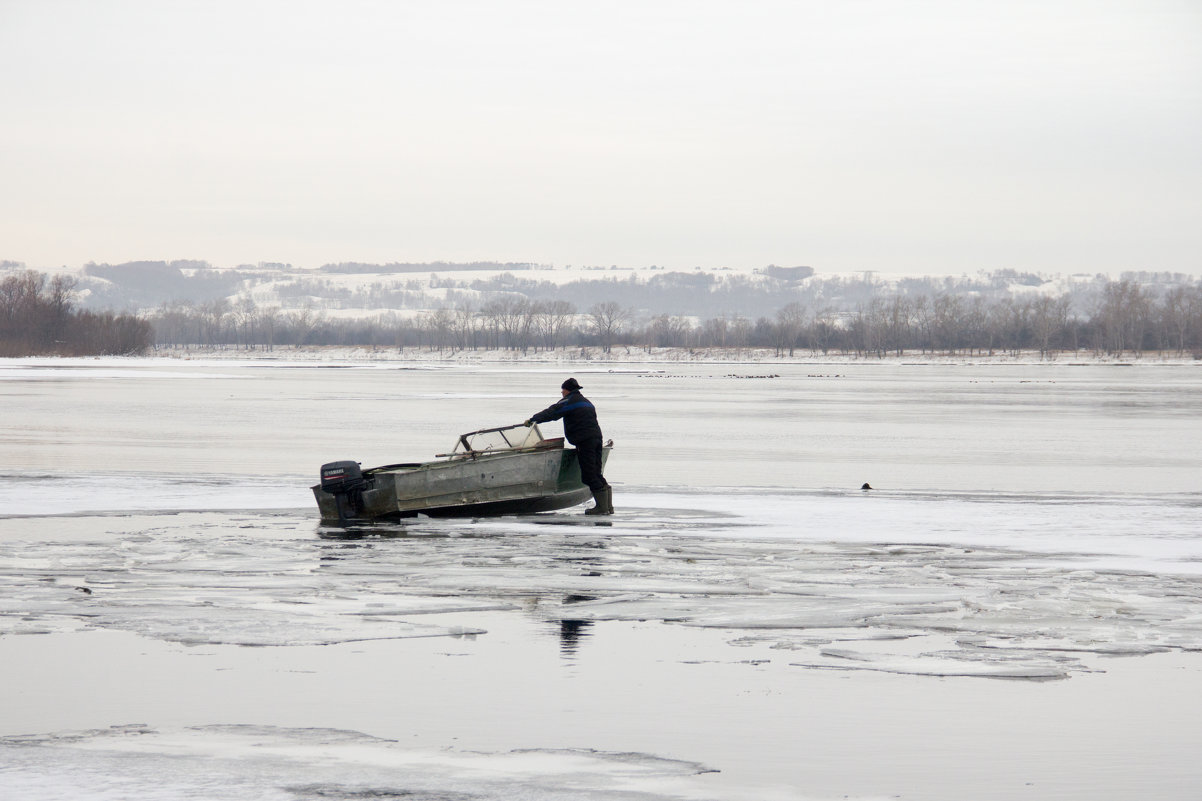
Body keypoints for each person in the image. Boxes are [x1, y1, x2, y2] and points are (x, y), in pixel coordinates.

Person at [525, 378, 613, 515]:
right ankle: (608, 507)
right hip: (596, 439)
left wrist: (533, 419)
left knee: (589, 475)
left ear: (568, 390)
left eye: (563, 390)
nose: (561, 392)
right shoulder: (586, 402)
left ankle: (602, 508)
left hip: (585, 441)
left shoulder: (570, 401)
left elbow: (552, 412)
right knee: (596, 472)